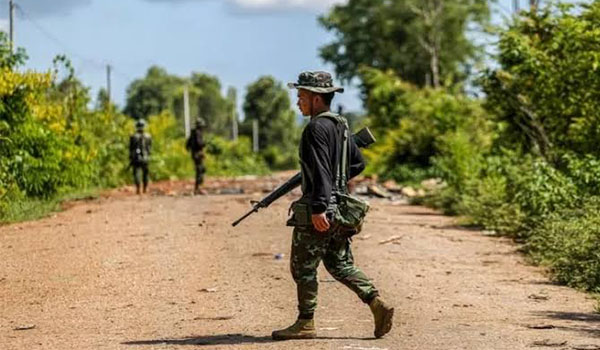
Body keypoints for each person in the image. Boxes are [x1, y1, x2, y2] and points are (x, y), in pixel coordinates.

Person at [271, 71, 394, 340]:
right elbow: (358, 163)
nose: (298, 103)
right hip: (341, 208)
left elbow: (320, 171)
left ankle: (305, 323)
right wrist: (337, 187)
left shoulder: (315, 129)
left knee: (302, 267)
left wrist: (319, 207)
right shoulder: (340, 125)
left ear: (316, 99)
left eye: (301, 97)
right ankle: (376, 302)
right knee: (339, 264)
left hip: (323, 209)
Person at [129, 119, 152, 195]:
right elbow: (149, 148)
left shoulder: (133, 136)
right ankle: (145, 188)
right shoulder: (148, 136)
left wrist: (131, 157)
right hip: (145, 158)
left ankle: (138, 188)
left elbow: (131, 148)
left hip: (136, 158)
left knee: (136, 173)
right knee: (146, 173)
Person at [186, 117, 207, 195]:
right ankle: (198, 188)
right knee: (200, 170)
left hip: (195, 154)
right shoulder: (197, 133)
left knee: (200, 170)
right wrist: (204, 143)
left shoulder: (193, 133)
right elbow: (199, 143)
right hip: (198, 154)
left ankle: (198, 188)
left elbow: (187, 144)